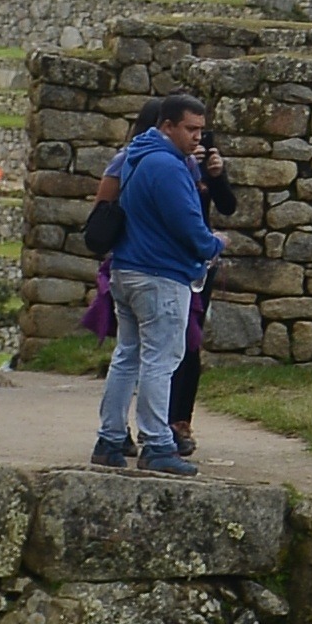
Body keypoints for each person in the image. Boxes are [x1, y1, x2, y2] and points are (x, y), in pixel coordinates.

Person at [88, 93, 219, 472]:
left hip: (127, 268)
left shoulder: (134, 157)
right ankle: (158, 444)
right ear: (167, 126)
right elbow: (188, 224)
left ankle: (110, 438)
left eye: (201, 130)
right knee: (161, 360)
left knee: (127, 356)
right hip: (160, 273)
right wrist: (213, 245)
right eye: (191, 129)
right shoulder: (167, 166)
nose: (198, 138)